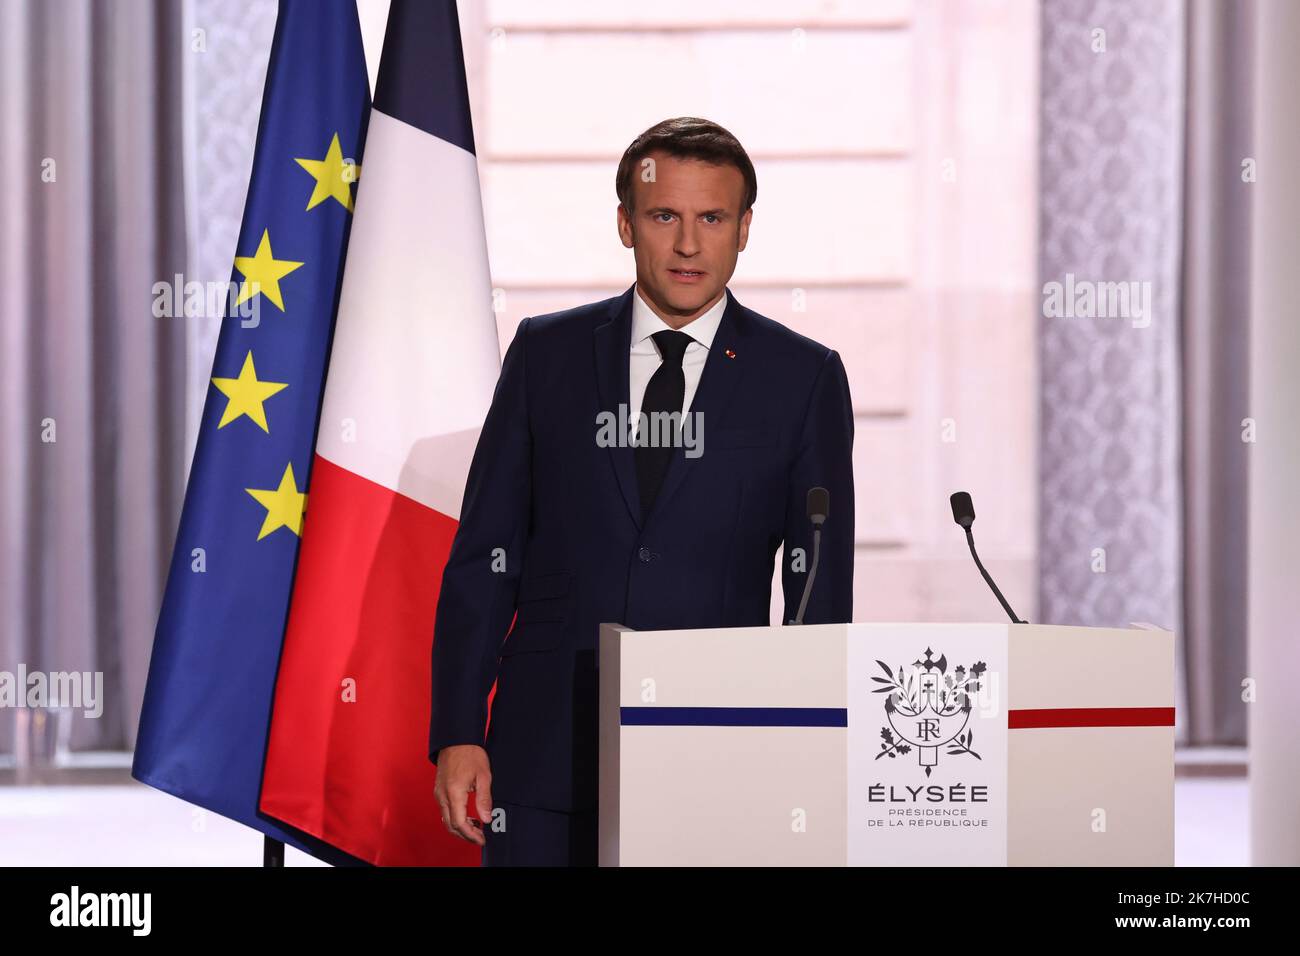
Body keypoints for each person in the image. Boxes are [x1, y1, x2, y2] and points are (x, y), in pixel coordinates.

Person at [429, 116, 855, 866]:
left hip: (719, 754)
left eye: (712, 218)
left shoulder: (803, 378)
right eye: (665, 216)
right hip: (544, 756)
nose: (689, 245)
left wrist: (805, 751)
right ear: (627, 223)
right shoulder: (547, 355)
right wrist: (460, 729)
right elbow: (484, 557)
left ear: (745, 228)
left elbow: (819, 591)